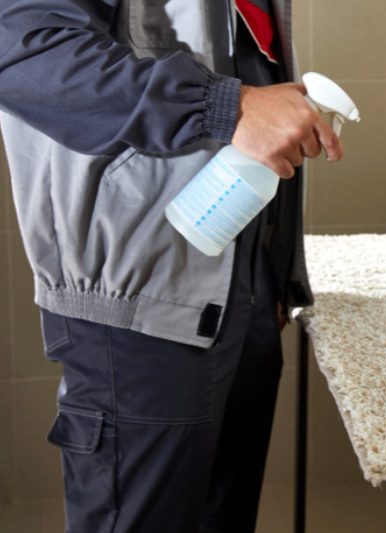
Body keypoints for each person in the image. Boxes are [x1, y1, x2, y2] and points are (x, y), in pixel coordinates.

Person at [0, 0, 340, 530]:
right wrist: (226, 106)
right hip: (139, 296)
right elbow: (24, 50)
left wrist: (270, 270)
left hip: (241, 278)